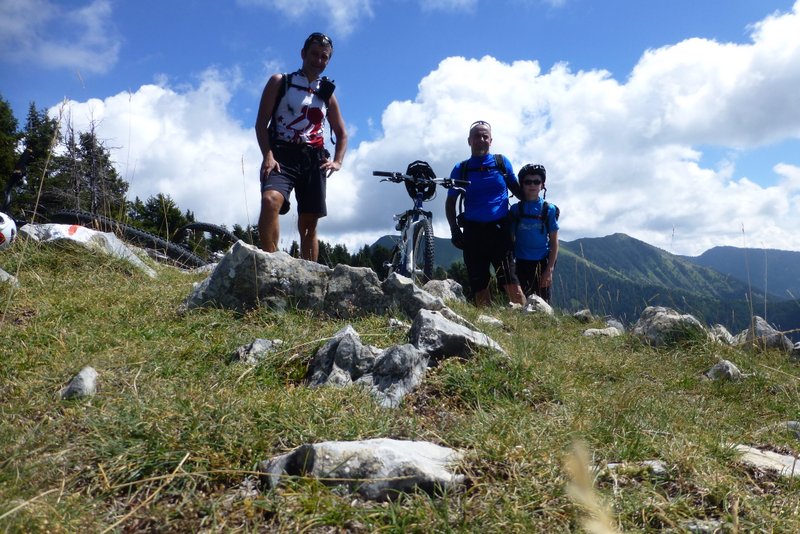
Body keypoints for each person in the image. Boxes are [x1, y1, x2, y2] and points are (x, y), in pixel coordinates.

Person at [255, 32, 348, 261]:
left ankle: (309, 282)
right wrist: (268, 156)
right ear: (303, 54)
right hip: (281, 154)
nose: (318, 60)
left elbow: (342, 133)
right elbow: (260, 124)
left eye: (324, 57)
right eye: (314, 54)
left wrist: (337, 161)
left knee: (308, 225)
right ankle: (272, 265)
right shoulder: (281, 82)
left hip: (314, 159)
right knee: (270, 202)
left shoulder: (327, 94)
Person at [445, 121, 526, 307]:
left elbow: (518, 191)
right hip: (473, 233)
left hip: (500, 232)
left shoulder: (501, 163)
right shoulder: (461, 169)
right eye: (477, 136)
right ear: (469, 141)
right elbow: (450, 203)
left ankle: (526, 322)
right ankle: (489, 328)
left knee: (511, 281)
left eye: (485, 136)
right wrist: (455, 231)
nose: (481, 140)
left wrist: (540, 206)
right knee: (479, 285)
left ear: (491, 140)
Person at [509, 164, 559, 302]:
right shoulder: (515, 210)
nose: (532, 185)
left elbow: (554, 242)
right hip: (520, 263)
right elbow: (510, 238)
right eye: (527, 182)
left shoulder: (549, 209)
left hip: (542, 263)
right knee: (521, 303)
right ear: (522, 185)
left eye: (536, 181)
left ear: (542, 185)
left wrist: (549, 270)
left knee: (543, 304)